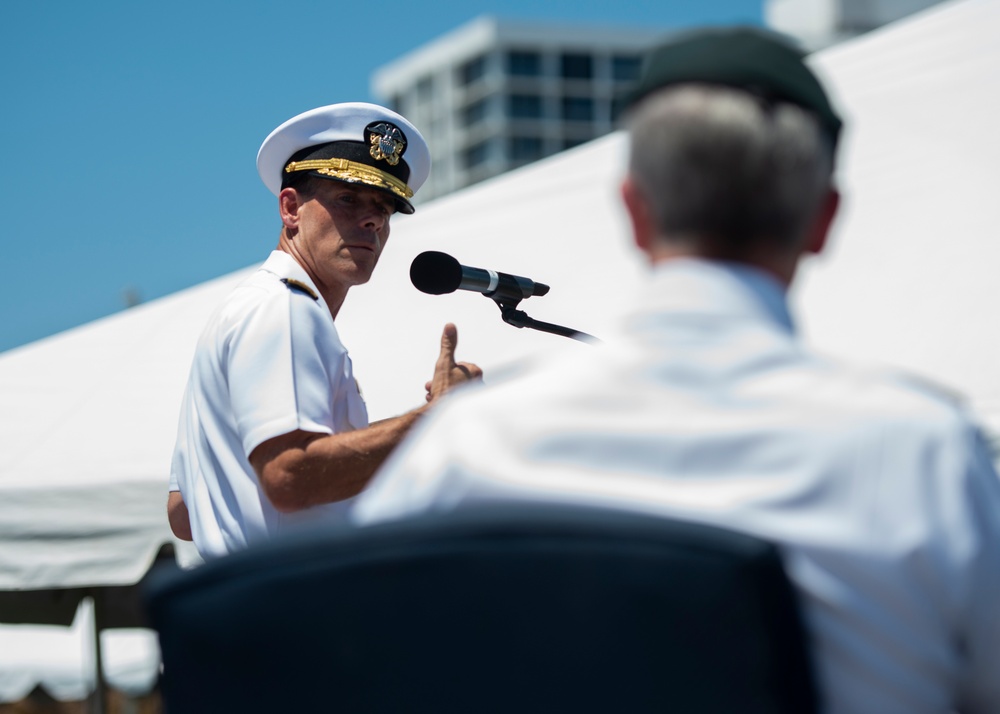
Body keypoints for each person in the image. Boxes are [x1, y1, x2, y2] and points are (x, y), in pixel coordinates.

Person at [352, 29, 1000, 714]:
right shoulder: (925, 454)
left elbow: (357, 668)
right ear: (823, 219)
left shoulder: (470, 449)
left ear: (633, 208)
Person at [168, 102, 481, 559]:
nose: (372, 220)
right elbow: (290, 478)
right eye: (348, 199)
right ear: (290, 208)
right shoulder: (285, 308)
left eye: (384, 207)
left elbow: (184, 512)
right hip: (289, 615)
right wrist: (433, 423)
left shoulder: (254, 307)